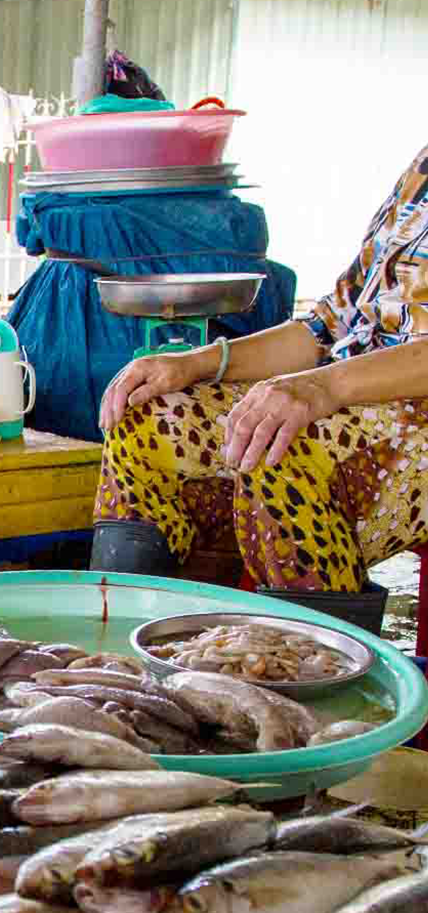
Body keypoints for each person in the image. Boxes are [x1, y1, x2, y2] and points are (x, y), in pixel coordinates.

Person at [92, 144, 428, 593]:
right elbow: (329, 325)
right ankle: (156, 633)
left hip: (406, 412)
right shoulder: (421, 171)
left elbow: (325, 372)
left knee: (280, 441)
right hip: (353, 392)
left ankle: (302, 657)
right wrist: (198, 363)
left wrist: (321, 387)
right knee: (149, 415)